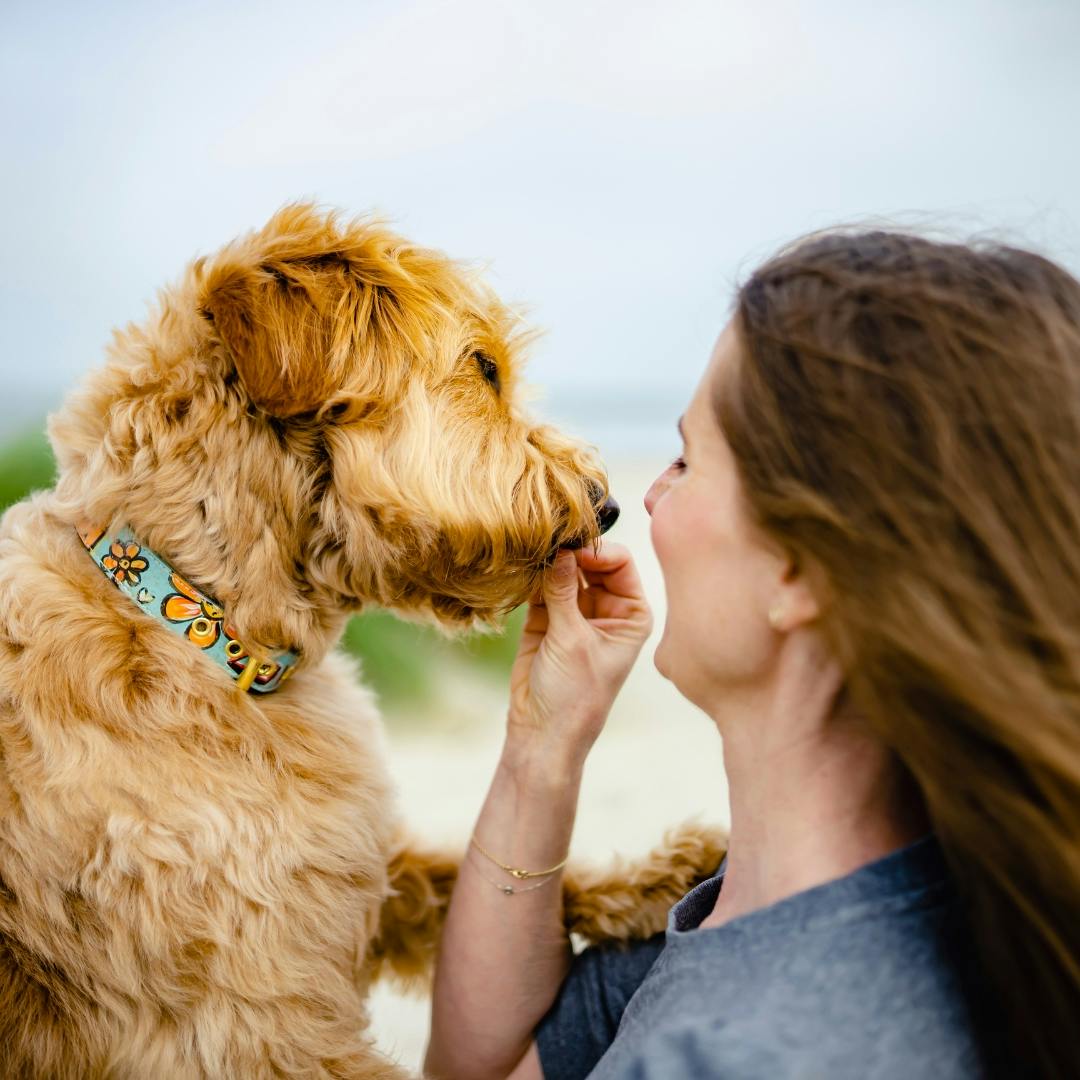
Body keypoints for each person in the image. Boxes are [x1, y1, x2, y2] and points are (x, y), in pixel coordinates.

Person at [423, 229, 1080, 1080]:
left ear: (803, 569)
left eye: (689, 459)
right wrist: (545, 740)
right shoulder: (779, 905)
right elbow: (491, 1065)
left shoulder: (761, 1050)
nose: (647, 497)